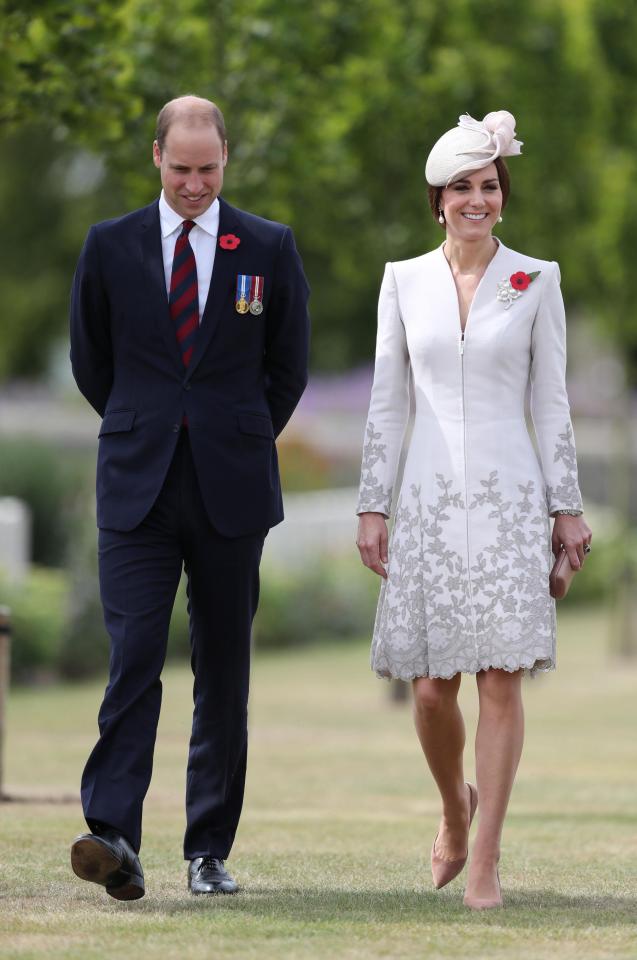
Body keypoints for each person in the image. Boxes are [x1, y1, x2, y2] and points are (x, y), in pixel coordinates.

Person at [69, 95, 310, 900]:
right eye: (181, 169)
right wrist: (152, 425)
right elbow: (90, 360)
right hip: (136, 486)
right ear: (155, 158)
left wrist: (232, 433)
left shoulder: (267, 248)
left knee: (224, 671)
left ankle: (208, 850)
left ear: (225, 161)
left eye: (208, 170)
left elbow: (288, 367)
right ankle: (111, 836)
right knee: (133, 657)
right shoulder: (109, 247)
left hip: (230, 490)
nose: (195, 184)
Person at [356, 111, 591, 910]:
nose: (476, 199)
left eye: (487, 185)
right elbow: (387, 403)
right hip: (422, 495)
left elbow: (551, 404)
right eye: (461, 186)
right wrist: (370, 505)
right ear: (437, 198)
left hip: (509, 495)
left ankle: (485, 861)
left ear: (501, 193)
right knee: (429, 689)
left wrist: (566, 507)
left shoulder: (537, 279)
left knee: (500, 679)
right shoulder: (402, 280)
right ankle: (455, 809)